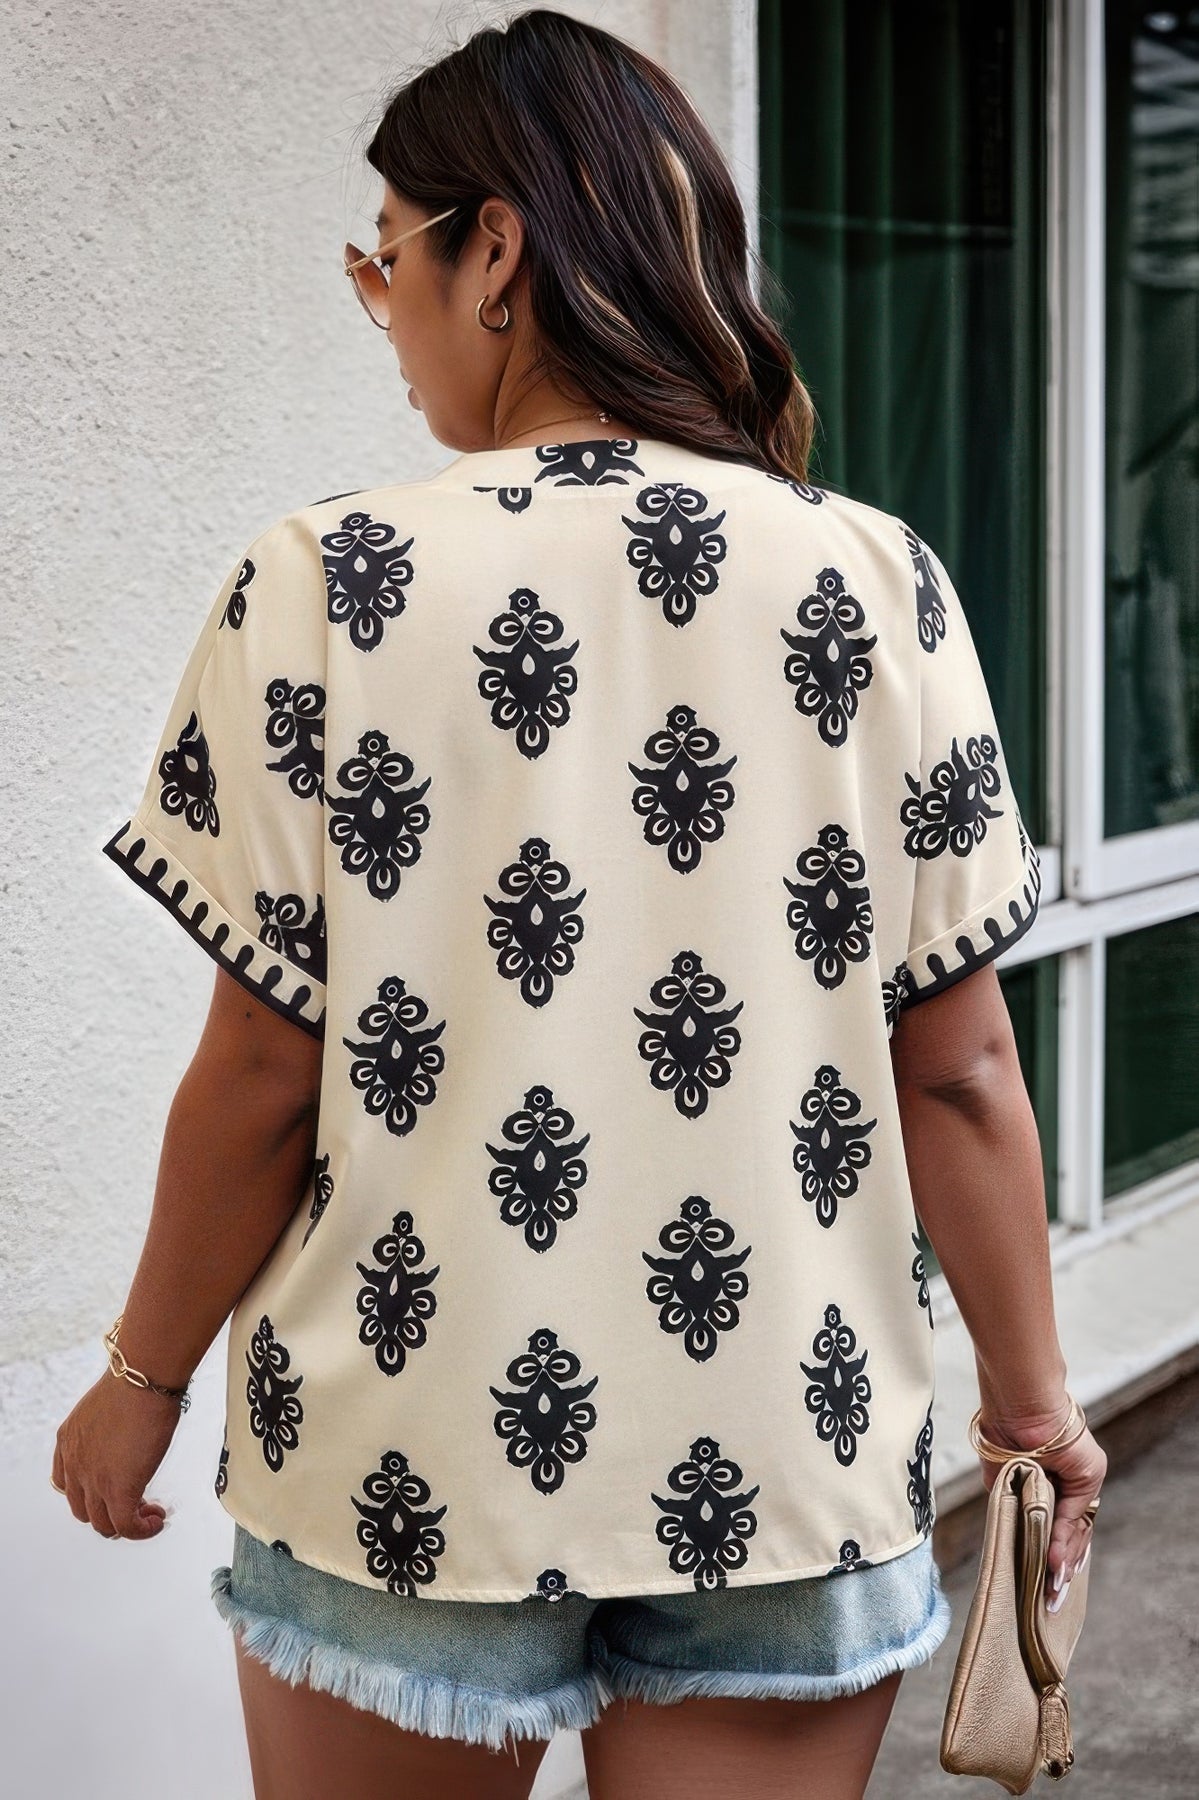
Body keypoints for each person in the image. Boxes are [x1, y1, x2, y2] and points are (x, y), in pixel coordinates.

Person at [53, 9, 1107, 1798]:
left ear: (495, 255)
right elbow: (959, 1066)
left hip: (408, 1449)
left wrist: (141, 1379)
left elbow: (261, 1072)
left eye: (383, 261)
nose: (383, 313)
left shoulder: (324, 581)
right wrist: (1032, 1406)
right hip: (783, 1443)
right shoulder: (876, 581)